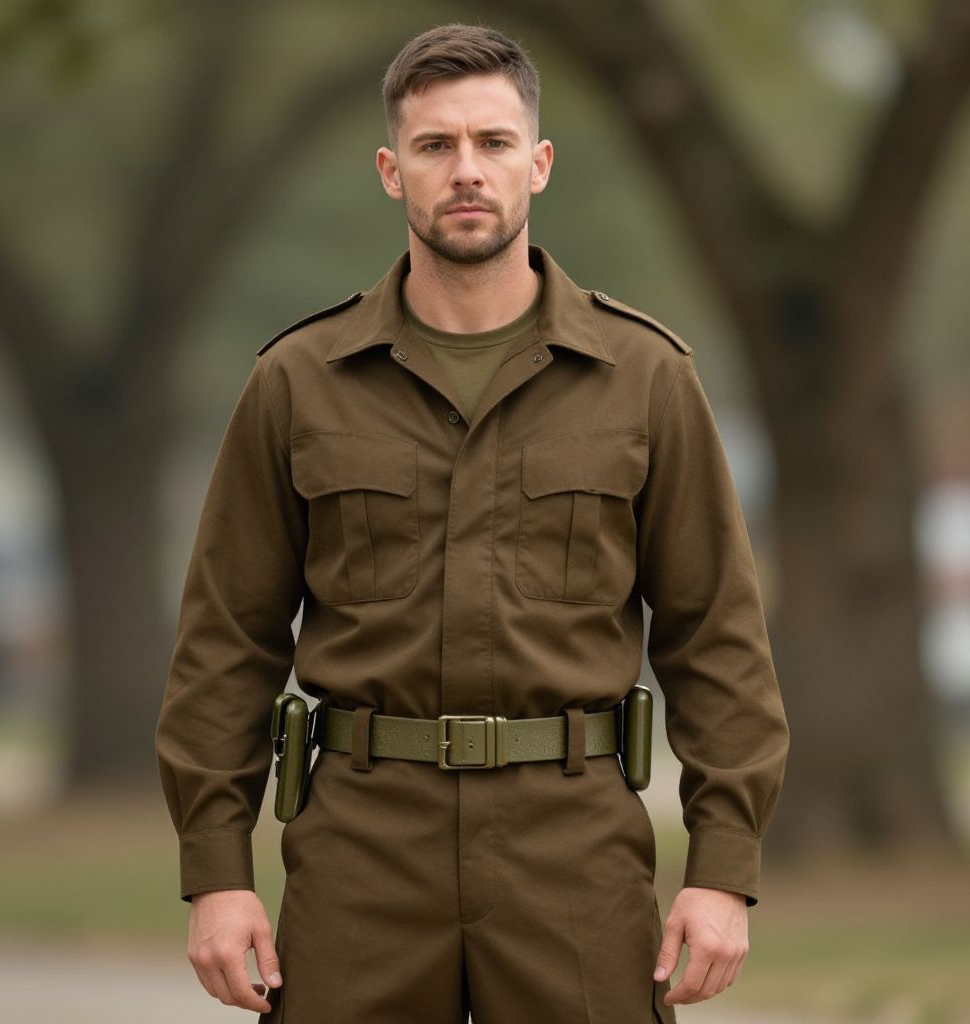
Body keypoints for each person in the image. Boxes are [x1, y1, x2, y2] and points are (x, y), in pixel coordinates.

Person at [154, 21, 790, 1024]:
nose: (465, 170)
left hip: (571, 854)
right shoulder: (297, 382)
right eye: (433, 145)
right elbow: (223, 645)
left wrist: (722, 870)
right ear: (389, 170)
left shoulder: (644, 378)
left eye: (492, 143)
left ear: (536, 164)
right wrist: (216, 873)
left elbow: (716, 639)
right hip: (362, 851)